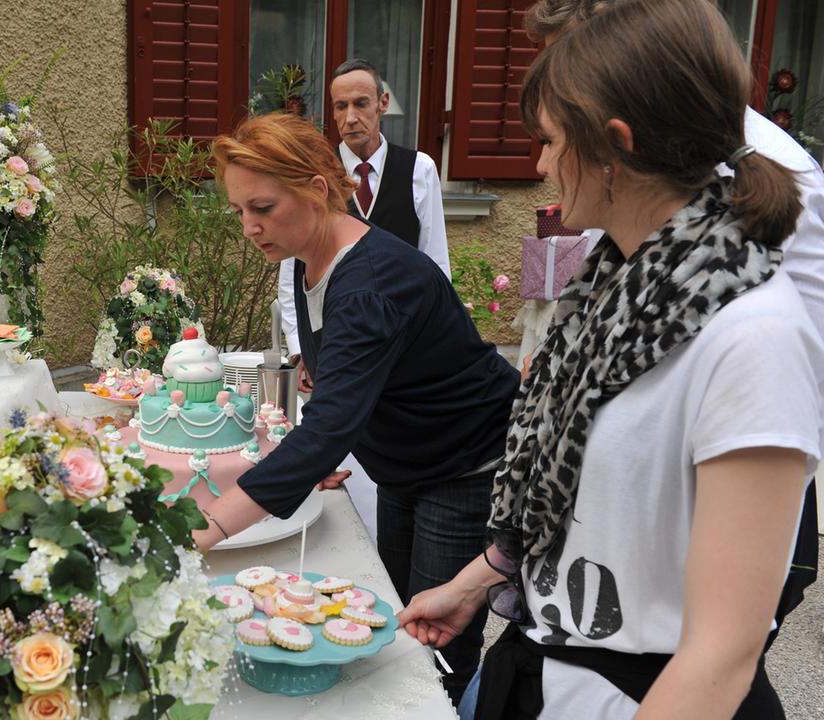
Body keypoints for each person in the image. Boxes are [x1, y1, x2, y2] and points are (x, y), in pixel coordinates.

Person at [397, 1, 822, 718]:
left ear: (614, 147)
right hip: (542, 670)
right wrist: (475, 585)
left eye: (549, 140)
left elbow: (721, 656)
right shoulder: (612, 291)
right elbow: (580, 505)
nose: (537, 165)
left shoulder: (752, 338)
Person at [525, 0, 823, 656]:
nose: (542, 163)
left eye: (571, 59)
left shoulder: (756, 188)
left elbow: (783, 375)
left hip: (720, 486)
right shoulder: (645, 207)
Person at [195, 112, 520, 704]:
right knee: (386, 614)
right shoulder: (302, 255)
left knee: (433, 647)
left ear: (317, 190)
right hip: (405, 462)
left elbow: (326, 427)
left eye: (262, 208)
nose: (249, 226)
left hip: (466, 467)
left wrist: (204, 529)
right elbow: (345, 381)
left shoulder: (369, 279)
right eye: (240, 211)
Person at [277, 58, 451, 367]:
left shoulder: (419, 169)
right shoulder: (314, 175)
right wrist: (299, 348)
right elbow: (293, 270)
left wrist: (438, 337)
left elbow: (434, 262)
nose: (351, 117)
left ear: (382, 103)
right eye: (341, 106)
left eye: (360, 103)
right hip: (333, 341)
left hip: (403, 341)